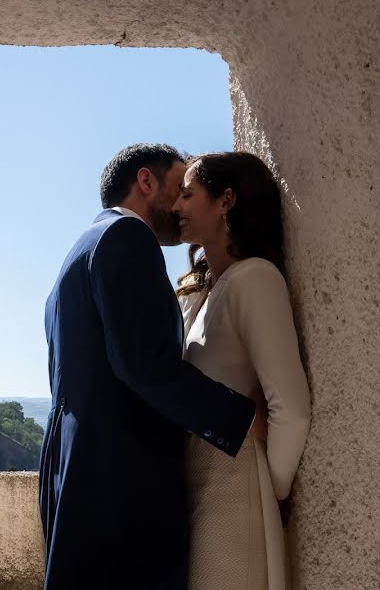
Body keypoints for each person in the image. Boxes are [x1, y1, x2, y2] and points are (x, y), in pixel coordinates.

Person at [39, 143, 256, 589]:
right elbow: (144, 366)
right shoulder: (126, 237)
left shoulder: (80, 250)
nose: (179, 207)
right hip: (122, 487)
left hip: (76, 478)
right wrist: (242, 417)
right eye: (178, 189)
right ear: (145, 181)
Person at [172, 152, 311, 590]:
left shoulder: (256, 280)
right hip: (192, 484)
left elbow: (291, 407)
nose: (176, 206)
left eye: (189, 195)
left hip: (236, 488)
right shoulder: (202, 291)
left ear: (226, 200)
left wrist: (274, 491)